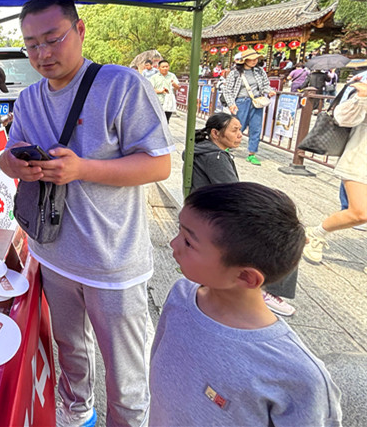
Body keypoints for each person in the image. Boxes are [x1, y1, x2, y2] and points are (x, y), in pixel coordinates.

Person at [0, 0, 173, 427]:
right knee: (71, 351)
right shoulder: (29, 99)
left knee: (125, 375)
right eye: (31, 44)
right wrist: (15, 164)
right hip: (53, 254)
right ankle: (77, 413)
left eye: (52, 39)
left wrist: (82, 169)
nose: (42, 53)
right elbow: (7, 155)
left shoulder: (121, 85)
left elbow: (159, 164)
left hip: (112, 260)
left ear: (79, 30)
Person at [150, 182, 342, 426]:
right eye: (179, 231)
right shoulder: (181, 296)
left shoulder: (298, 376)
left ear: (246, 277)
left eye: (188, 242)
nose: (173, 244)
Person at [186, 113, 297, 317]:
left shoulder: (206, 150)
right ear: (215, 133)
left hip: (209, 210)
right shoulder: (215, 157)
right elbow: (235, 193)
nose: (240, 135)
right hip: (216, 216)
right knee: (284, 231)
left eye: (240, 130)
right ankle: (265, 290)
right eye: (234, 130)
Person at [304, 81, 367, 263]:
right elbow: (342, 117)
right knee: (360, 213)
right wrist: (362, 98)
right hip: (360, 159)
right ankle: (317, 233)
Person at [222, 48, 275, 166]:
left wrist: (269, 91)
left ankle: (252, 154)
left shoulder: (260, 71)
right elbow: (227, 90)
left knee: (256, 128)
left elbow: (265, 85)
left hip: (256, 102)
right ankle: (227, 145)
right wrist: (231, 104)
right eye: (251, 59)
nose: (254, 61)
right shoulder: (235, 73)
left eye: (256, 59)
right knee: (237, 126)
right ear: (245, 60)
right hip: (241, 102)